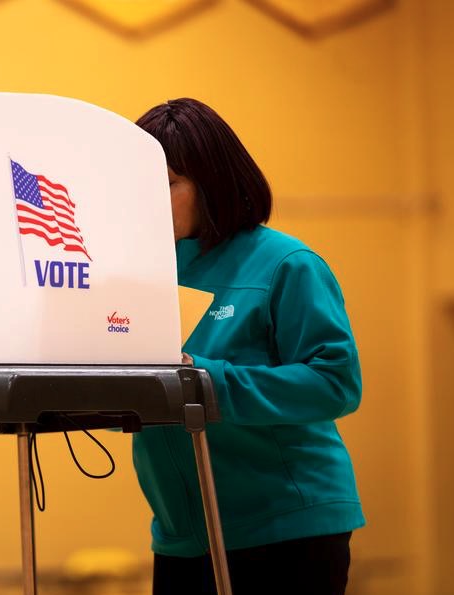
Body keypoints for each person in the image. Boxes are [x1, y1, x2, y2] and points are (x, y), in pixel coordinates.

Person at [133, 98, 364, 595]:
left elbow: (335, 383)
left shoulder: (285, 263)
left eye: (167, 182)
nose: (147, 199)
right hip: (181, 535)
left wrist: (205, 379)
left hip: (288, 525)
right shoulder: (142, 272)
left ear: (213, 181)